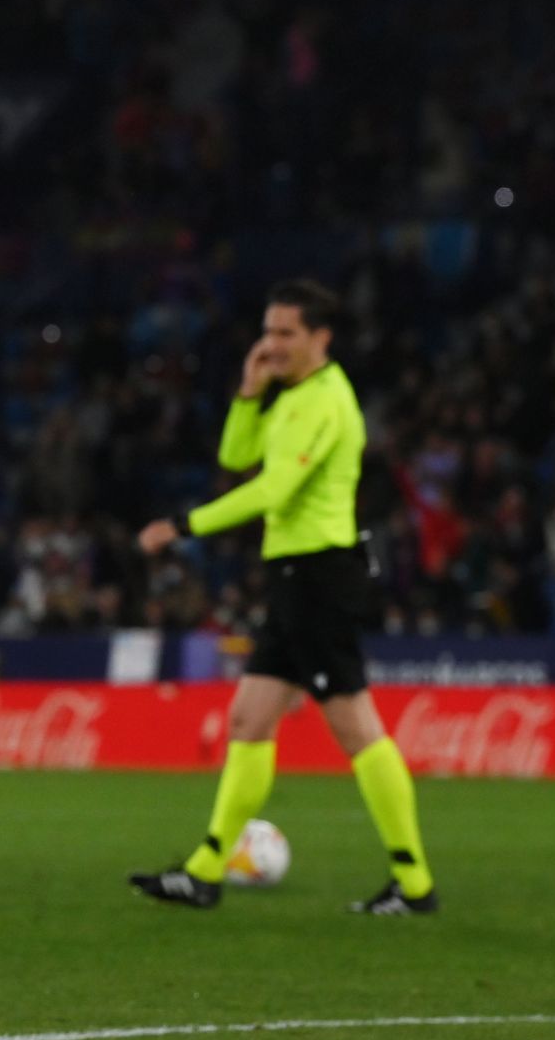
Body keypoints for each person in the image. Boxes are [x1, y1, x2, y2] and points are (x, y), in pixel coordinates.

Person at [131, 279, 438, 915]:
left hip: (322, 575)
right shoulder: (286, 395)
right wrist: (247, 392)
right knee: (249, 718)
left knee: (354, 727)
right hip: (296, 576)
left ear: (321, 337)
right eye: (266, 331)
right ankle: (206, 870)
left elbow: (271, 492)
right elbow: (234, 454)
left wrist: (183, 525)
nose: (271, 344)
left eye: (285, 334)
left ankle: (414, 884)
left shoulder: (326, 400)